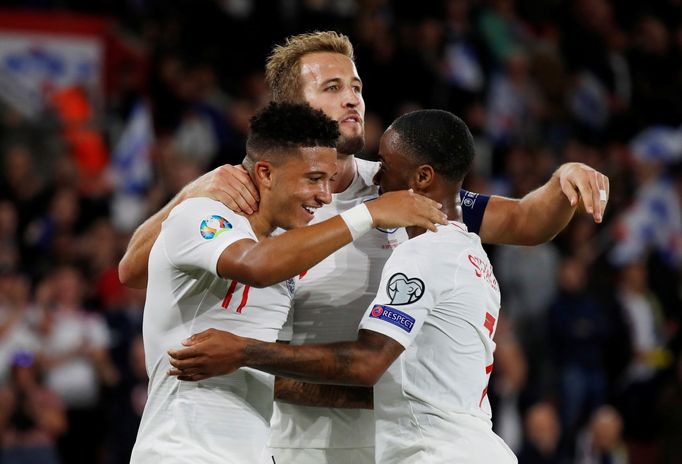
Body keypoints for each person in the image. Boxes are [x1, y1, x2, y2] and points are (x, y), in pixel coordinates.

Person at [120, 31, 610, 464]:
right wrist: (194, 189)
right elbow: (138, 267)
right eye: (331, 88)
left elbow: (525, 220)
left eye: (355, 86)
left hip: (399, 442)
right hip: (295, 442)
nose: (352, 99)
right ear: (292, 109)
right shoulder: (256, 193)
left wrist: (562, 181)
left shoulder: (400, 189)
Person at [168, 109, 519, 463]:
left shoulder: (421, 253)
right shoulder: (474, 258)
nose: (377, 177)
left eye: (384, 164)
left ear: (423, 177)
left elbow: (366, 363)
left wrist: (244, 352)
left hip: (437, 454)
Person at [128, 102, 447, 464]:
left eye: (329, 180)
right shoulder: (200, 214)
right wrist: (370, 213)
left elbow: (267, 369)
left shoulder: (287, 251)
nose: (325, 195)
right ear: (265, 172)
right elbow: (257, 265)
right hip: (180, 451)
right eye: (313, 179)